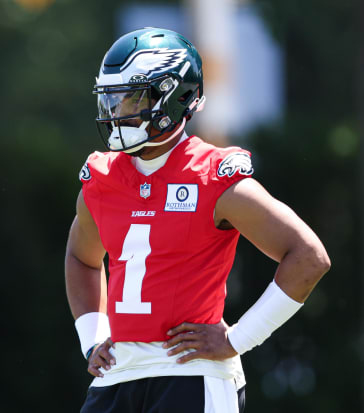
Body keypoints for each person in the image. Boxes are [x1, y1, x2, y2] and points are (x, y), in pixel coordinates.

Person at [65, 27, 330, 413]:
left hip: (191, 374)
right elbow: (81, 257)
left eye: (131, 98)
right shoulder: (103, 178)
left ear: (175, 96)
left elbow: (308, 257)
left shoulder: (213, 176)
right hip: (118, 374)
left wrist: (239, 338)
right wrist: (93, 337)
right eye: (114, 99)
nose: (118, 112)